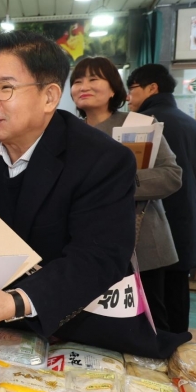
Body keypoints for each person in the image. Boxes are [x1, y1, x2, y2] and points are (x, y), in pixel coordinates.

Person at [0, 31, 187, 356]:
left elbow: (98, 257)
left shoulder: (101, 159)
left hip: (77, 327)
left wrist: (16, 302)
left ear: (50, 96)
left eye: (5, 88)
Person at [70, 57, 182, 331]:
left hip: (141, 244)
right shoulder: (68, 132)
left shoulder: (139, 124)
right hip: (88, 243)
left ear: (113, 89)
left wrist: (115, 185)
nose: (83, 86)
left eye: (93, 79)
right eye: (77, 81)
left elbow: (171, 175)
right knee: (100, 322)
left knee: (150, 321)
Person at [127, 63, 196, 334]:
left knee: (154, 311)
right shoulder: (194, 126)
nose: (128, 96)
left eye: (133, 88)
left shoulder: (142, 124)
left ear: (152, 88)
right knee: (177, 304)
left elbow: (136, 179)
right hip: (187, 226)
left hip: (155, 229)